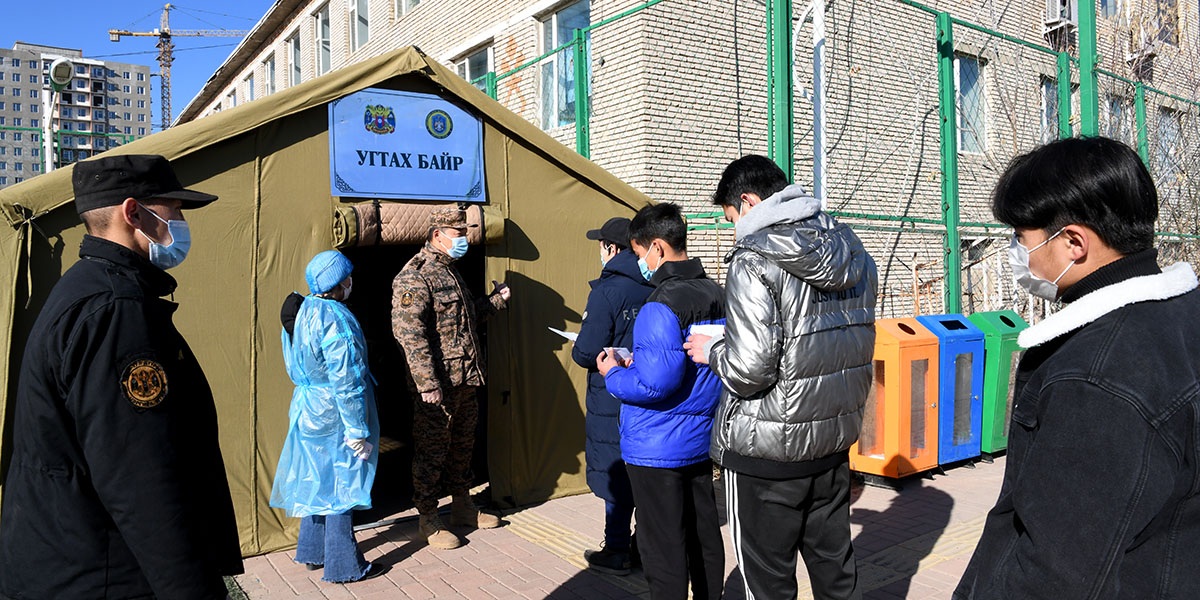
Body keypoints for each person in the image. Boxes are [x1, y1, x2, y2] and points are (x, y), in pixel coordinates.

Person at [954, 137, 1200, 598]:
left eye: (1021, 238)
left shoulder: (1097, 378)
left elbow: (1055, 571)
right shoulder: (1181, 313)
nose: (1017, 253)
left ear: (1073, 243)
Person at [0, 154, 243, 599]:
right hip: (104, 573)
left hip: (70, 561)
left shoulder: (87, 287)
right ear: (134, 213)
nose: (182, 221)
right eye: (175, 209)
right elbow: (142, 478)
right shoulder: (116, 310)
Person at [685, 154, 877, 600]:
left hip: (767, 454)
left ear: (749, 202)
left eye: (732, 218)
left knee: (767, 585)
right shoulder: (852, 249)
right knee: (837, 578)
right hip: (830, 446)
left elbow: (750, 370)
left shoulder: (753, 260)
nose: (734, 228)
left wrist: (713, 351)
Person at [598, 203, 725, 600]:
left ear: (656, 247)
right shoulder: (718, 293)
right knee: (703, 537)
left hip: (657, 446)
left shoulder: (661, 304)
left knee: (663, 547)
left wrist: (614, 372)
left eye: (639, 253)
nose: (641, 263)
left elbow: (656, 384)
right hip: (699, 438)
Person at [392, 207, 511, 550]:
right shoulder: (415, 276)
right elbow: (409, 334)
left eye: (465, 233)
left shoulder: (450, 271)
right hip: (439, 386)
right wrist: (427, 383)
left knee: (462, 445)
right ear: (437, 235)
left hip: (465, 379)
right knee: (432, 451)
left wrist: (494, 302)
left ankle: (463, 506)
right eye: (458, 234)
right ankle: (428, 518)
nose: (464, 240)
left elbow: (464, 321)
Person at [270, 250, 387, 583]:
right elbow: (348, 378)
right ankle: (345, 566)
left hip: (308, 408)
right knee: (341, 485)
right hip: (335, 411)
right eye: (347, 277)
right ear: (338, 282)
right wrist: (357, 428)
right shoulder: (336, 318)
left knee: (317, 480)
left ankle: (312, 551)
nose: (351, 282)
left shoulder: (302, 310)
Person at [571, 217, 653, 575]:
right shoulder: (655, 285)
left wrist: (580, 346)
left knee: (615, 470)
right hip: (649, 392)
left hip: (612, 395)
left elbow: (586, 352)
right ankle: (643, 547)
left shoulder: (606, 292)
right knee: (644, 473)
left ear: (612, 248)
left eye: (601, 245)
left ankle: (616, 549)